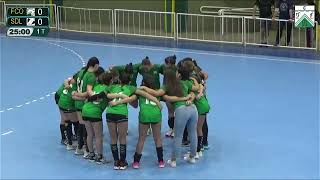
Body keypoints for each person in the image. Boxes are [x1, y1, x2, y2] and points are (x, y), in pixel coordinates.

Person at [141, 59, 200, 167]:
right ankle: (192, 157)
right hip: (193, 109)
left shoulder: (167, 86)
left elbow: (156, 92)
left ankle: (173, 160)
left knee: (178, 136)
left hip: (182, 110)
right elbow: (197, 88)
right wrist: (191, 93)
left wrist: (144, 87)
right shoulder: (185, 82)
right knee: (193, 133)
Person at [132, 74, 165, 169]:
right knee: (157, 138)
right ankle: (161, 161)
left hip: (144, 115)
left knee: (141, 139)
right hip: (156, 115)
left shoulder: (139, 92)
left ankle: (136, 162)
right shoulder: (158, 93)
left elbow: (134, 103)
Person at [70, 57, 100, 157]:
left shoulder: (81, 72)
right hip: (84, 103)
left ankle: (79, 148)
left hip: (77, 103)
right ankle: (87, 150)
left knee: (81, 125)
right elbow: (88, 91)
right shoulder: (91, 76)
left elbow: (72, 82)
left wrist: (75, 93)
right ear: (95, 65)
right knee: (87, 129)